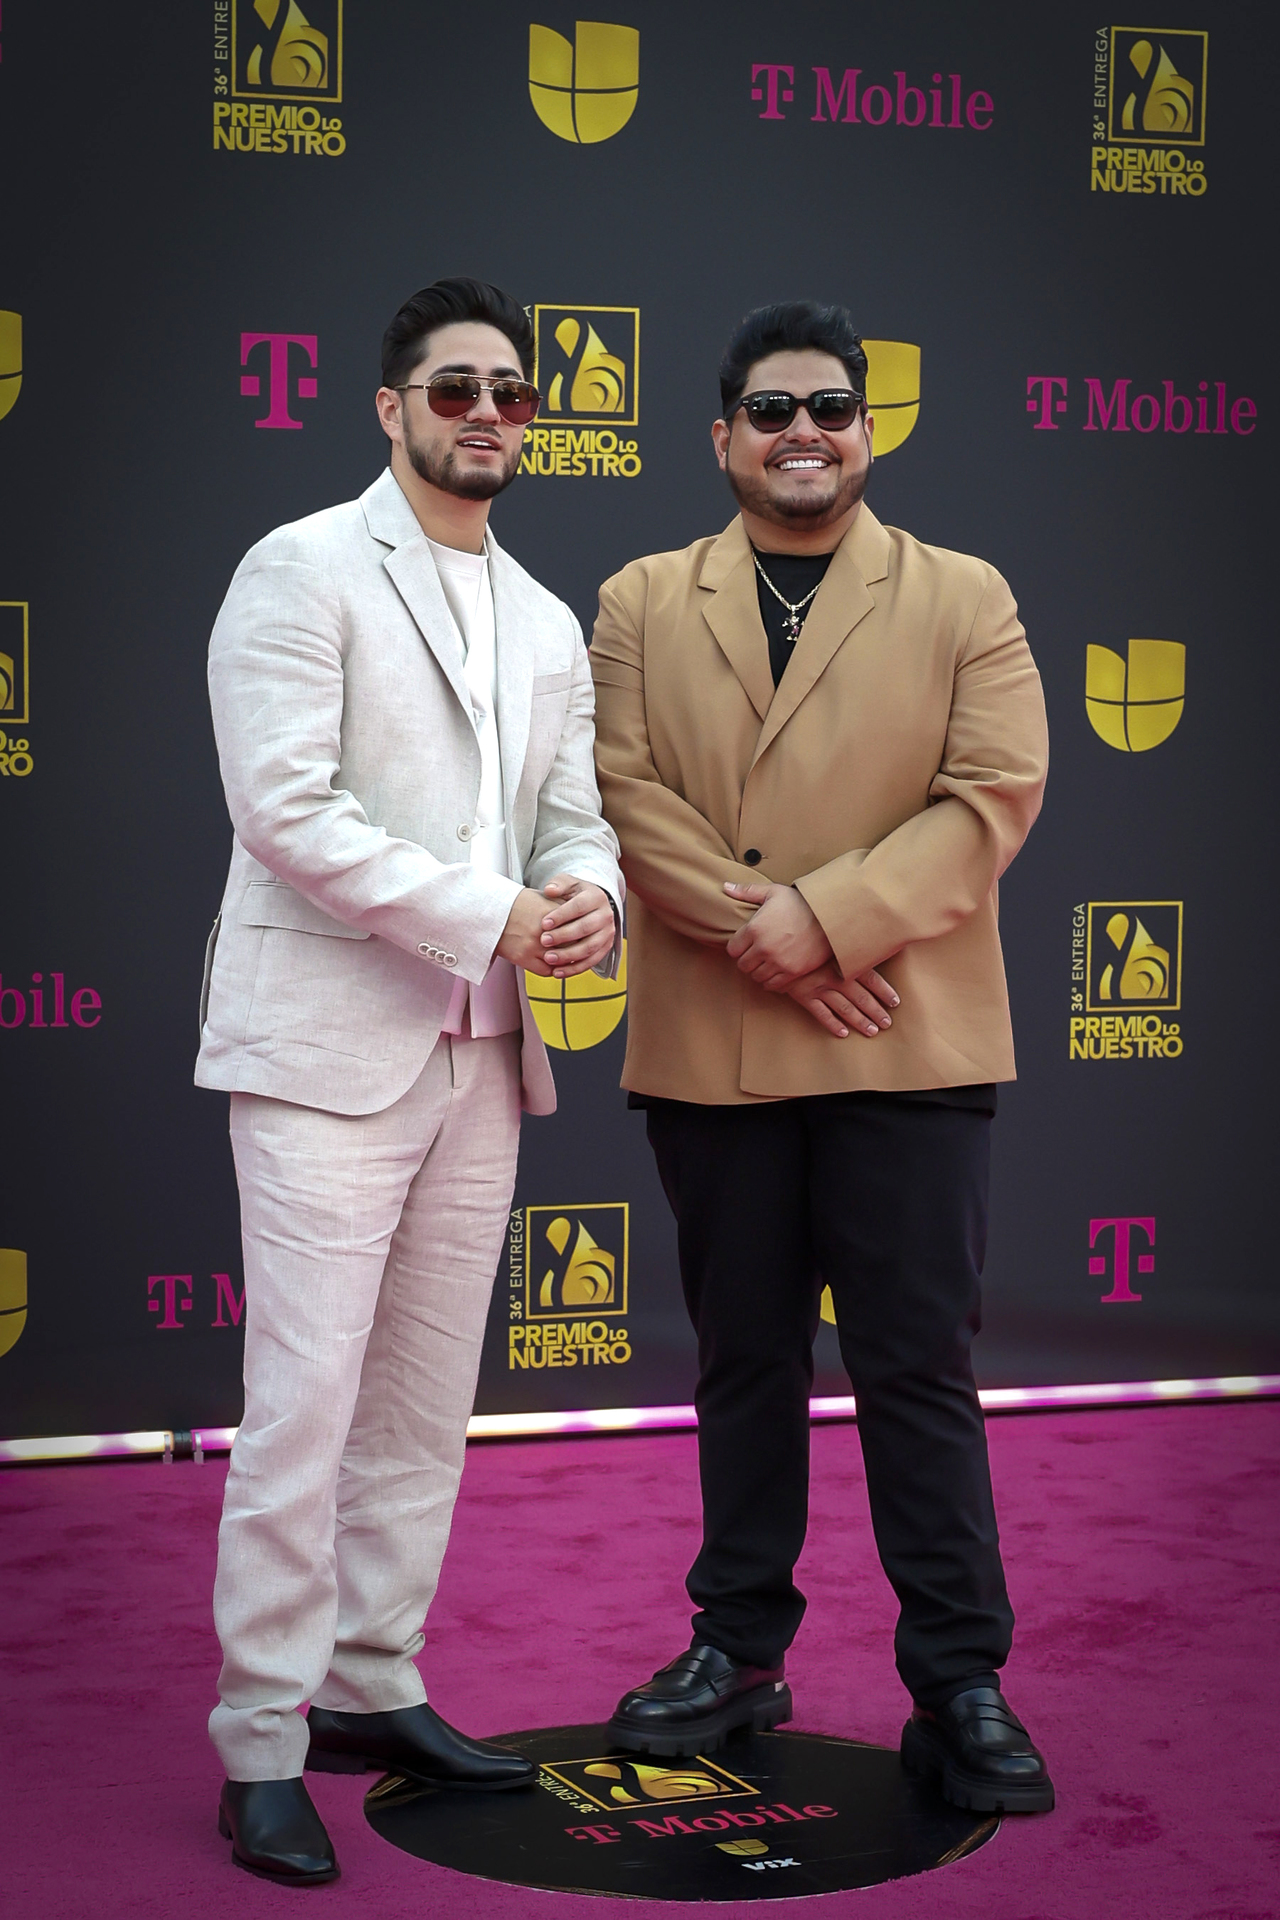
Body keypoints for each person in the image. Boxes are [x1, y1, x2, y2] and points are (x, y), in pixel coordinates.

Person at [588, 301, 1052, 1814]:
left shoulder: (965, 593)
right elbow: (620, 793)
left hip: (907, 1041)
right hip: (715, 1047)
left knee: (919, 1368)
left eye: (831, 409)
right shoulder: (642, 598)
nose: (805, 433)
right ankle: (737, 1653)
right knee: (744, 1363)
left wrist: (832, 923)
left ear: (867, 431)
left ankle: (961, 1682)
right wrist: (775, 933)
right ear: (721, 435)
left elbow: (992, 795)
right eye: (772, 410)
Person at [196, 276, 623, 1885]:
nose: (489, 414)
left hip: (485, 1052)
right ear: (391, 408)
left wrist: (591, 899)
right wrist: (497, 911)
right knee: (302, 1411)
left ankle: (372, 1685)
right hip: (325, 1052)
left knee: (423, 1408)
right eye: (457, 389)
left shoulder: (548, 618)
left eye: (513, 392)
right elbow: (284, 810)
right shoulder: (301, 566)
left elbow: (572, 821)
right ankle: (260, 1737)